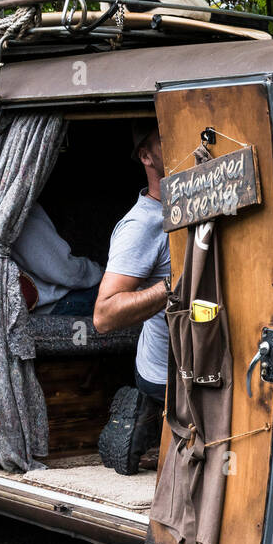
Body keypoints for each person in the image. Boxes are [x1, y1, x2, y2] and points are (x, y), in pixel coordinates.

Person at [93, 120, 172, 474]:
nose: (179, 140)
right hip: (166, 372)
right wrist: (170, 287)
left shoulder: (193, 208)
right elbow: (104, 316)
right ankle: (145, 413)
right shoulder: (141, 226)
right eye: (166, 138)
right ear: (146, 156)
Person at [10, 203, 103, 316]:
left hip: (31, 311)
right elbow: (67, 272)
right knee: (123, 290)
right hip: (55, 305)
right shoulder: (16, 212)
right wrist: (102, 272)